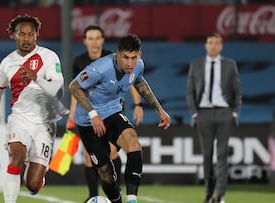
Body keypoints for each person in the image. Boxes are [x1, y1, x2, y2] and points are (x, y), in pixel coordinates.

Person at [0, 14, 67, 203]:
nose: (26, 39)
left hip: (44, 125)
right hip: (19, 120)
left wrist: (36, 77)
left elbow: (57, 89)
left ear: (37, 35)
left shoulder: (48, 57)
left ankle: (37, 179)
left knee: (32, 184)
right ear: (13, 35)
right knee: (16, 157)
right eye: (22, 34)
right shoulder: (7, 63)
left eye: (31, 34)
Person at [69, 33, 171, 203]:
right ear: (118, 54)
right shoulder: (100, 68)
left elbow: (140, 83)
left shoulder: (138, 66)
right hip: (88, 121)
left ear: (140, 55)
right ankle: (116, 200)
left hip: (113, 113)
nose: (130, 63)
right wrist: (93, 114)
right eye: (125, 57)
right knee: (106, 173)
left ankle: (132, 199)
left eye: (134, 57)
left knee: (133, 142)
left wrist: (160, 110)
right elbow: (74, 86)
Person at [67, 25, 144, 202]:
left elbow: (131, 80)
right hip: (89, 115)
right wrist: (72, 113)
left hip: (113, 111)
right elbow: (78, 88)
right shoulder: (79, 62)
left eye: (97, 38)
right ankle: (95, 195)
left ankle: (117, 190)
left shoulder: (117, 58)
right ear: (85, 41)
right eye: (90, 39)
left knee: (113, 151)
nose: (94, 42)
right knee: (92, 159)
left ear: (102, 40)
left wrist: (138, 104)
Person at [186, 32, 241, 203]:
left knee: (222, 155)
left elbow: (237, 91)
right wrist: (195, 113)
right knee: (207, 155)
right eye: (210, 42)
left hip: (224, 113)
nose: (213, 46)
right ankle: (209, 192)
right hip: (204, 113)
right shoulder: (196, 64)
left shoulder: (230, 65)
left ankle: (221, 194)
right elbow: (190, 91)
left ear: (221, 46)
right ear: (206, 45)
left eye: (217, 43)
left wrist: (234, 113)